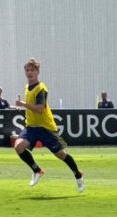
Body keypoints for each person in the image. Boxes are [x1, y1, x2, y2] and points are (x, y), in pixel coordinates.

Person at [13, 58, 85, 192]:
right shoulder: (27, 88)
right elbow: (33, 108)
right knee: (18, 146)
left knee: (61, 155)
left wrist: (23, 104)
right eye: (27, 70)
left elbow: (40, 108)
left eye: (32, 70)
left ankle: (78, 175)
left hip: (46, 128)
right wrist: (23, 107)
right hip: (32, 127)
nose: (29, 73)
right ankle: (37, 170)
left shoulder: (41, 89)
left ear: (38, 71)